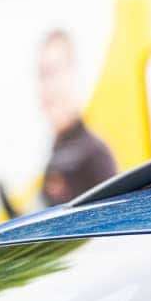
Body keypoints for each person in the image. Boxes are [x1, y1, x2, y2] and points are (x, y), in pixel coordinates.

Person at [36, 29, 117, 206]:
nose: (47, 86)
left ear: (74, 75)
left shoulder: (94, 155)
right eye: (42, 75)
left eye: (54, 72)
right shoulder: (58, 151)